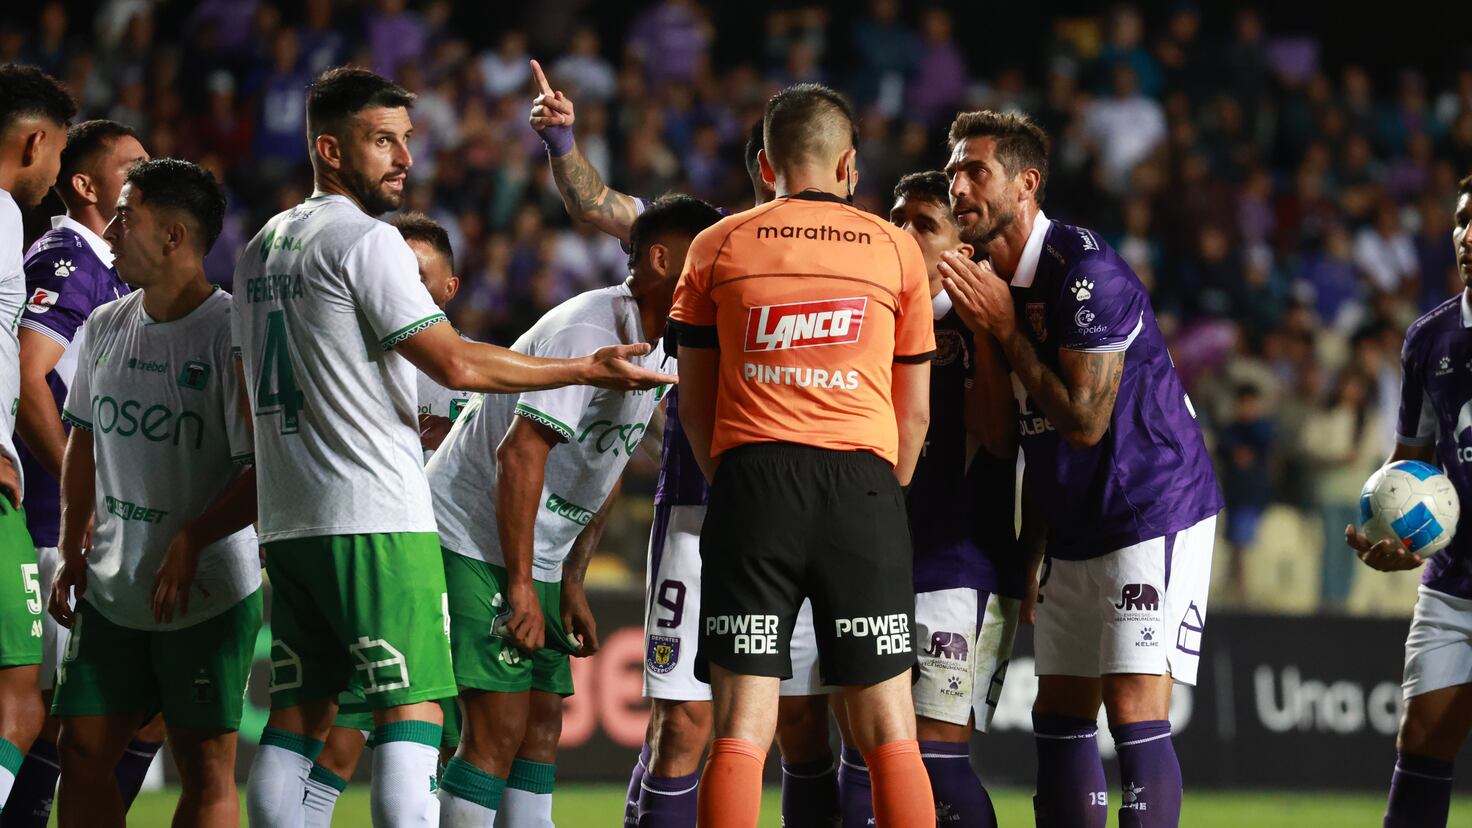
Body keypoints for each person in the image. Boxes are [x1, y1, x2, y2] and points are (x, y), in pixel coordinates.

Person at [232, 66, 673, 828]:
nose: (404, 158)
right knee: (415, 719)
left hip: (292, 517)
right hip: (374, 514)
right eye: (383, 141)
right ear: (329, 150)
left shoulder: (262, 245)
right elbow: (460, 365)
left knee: (300, 720)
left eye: (406, 140)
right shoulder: (367, 242)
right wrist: (580, 368)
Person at [527, 60, 839, 827]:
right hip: (703, 511)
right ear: (767, 173)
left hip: (809, 516)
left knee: (802, 726)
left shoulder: (856, 252)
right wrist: (562, 139)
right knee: (687, 727)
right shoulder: (713, 244)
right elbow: (597, 204)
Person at [939, 110, 1221, 828]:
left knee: (1131, 707)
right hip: (1071, 522)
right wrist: (1033, 552)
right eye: (952, 173)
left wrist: (1004, 327)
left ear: (1027, 183)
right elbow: (1030, 438)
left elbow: (1085, 423)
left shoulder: (1086, 272)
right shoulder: (986, 282)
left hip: (1149, 507)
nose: (958, 187)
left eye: (976, 171)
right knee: (1060, 709)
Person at [668, 82, 936, 828]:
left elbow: (693, 407)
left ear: (764, 165)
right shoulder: (897, 250)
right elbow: (913, 415)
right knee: (889, 731)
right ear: (849, 166)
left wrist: (744, 480)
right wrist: (879, 493)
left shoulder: (715, 245)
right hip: (864, 484)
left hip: (754, 482)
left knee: (742, 731)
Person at [429, 194, 720, 826]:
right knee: (496, 730)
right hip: (473, 537)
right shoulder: (589, 330)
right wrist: (519, 584)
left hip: (539, 553)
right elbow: (519, 455)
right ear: (664, 261)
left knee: (540, 725)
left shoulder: (663, 346)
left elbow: (605, 464)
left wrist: (571, 575)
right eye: (709, 259)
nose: (719, 274)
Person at [47, 158, 259, 828]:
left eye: (125, 215)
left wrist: (195, 537)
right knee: (80, 752)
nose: (109, 229)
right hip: (113, 588)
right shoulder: (107, 323)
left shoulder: (233, 334)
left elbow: (268, 472)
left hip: (203, 594)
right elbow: (81, 440)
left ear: (173, 235)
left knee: (205, 768)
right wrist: (71, 543)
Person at [834, 171, 1025, 827]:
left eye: (924, 224)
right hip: (878, 562)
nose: (902, 233)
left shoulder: (977, 332)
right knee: (866, 748)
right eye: (896, 218)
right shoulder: (872, 321)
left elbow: (999, 439)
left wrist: (989, 338)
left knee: (937, 755)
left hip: (959, 567)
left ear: (961, 250)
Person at [7, 120, 161, 828]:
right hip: (54, 525)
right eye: (133, 166)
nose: (148, 173)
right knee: (60, 718)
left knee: (88, 718)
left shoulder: (111, 269)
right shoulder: (68, 258)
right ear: (85, 184)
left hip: (89, 526)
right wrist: (81, 492)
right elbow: (30, 375)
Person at [301, 211, 468, 828]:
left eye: (421, 277)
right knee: (343, 738)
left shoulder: (468, 375)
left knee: (452, 741)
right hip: (377, 553)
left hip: (446, 568)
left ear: (449, 289)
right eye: (398, 273)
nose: (406, 287)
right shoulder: (356, 364)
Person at [1346, 172, 1472, 828]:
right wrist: (1393, 533)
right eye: (1460, 220)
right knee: (1421, 742)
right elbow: (1412, 459)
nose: (1467, 235)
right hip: (1452, 585)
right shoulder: (1430, 339)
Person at [0, 62, 74, 819]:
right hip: (3, 502)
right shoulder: (2, 217)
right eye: (55, 156)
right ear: (32, 143)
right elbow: (25, 373)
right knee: (20, 707)